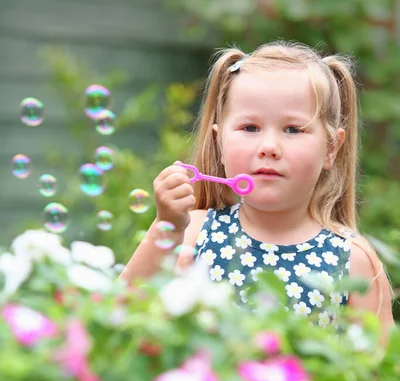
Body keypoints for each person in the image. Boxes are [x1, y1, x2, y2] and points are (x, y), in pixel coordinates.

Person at [120, 40, 395, 342]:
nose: (269, 148)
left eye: (293, 129)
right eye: (250, 128)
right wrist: (166, 226)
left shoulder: (352, 260)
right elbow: (121, 312)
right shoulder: (193, 233)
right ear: (219, 142)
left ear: (331, 148)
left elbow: (382, 375)